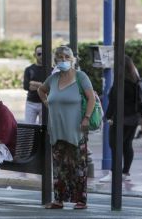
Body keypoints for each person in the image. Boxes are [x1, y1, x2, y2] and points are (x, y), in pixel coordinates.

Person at [37, 46, 96, 210]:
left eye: (66, 57)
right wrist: (46, 103)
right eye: (59, 57)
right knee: (59, 167)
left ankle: (81, 200)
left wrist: (87, 118)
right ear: (55, 60)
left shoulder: (80, 77)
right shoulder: (53, 78)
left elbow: (91, 98)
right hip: (57, 130)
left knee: (78, 166)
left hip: (76, 129)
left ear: (72, 60)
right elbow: (41, 91)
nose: (63, 60)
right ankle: (58, 199)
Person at [101, 55, 141, 182]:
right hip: (133, 118)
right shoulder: (135, 79)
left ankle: (114, 173)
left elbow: (114, 101)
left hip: (121, 118)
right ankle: (125, 172)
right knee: (127, 144)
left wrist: (108, 116)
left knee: (114, 145)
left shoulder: (120, 81)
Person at [23, 45, 45, 124]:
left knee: (44, 130)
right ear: (34, 55)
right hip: (31, 102)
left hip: (45, 103)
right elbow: (26, 86)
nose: (41, 56)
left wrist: (33, 83)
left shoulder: (50, 69)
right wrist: (43, 85)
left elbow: (50, 87)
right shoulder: (29, 69)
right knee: (28, 128)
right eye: (39, 54)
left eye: (43, 53)